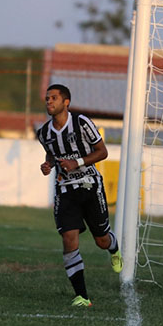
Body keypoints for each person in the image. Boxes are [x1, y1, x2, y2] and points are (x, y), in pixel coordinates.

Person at [37, 84, 121, 308]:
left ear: (66, 102)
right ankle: (82, 296)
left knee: (101, 240)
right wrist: (48, 164)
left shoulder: (82, 122)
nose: (49, 102)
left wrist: (78, 162)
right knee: (68, 238)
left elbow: (103, 152)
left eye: (53, 98)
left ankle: (114, 248)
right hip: (65, 190)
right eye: (47, 98)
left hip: (90, 185)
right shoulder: (43, 132)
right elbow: (51, 153)